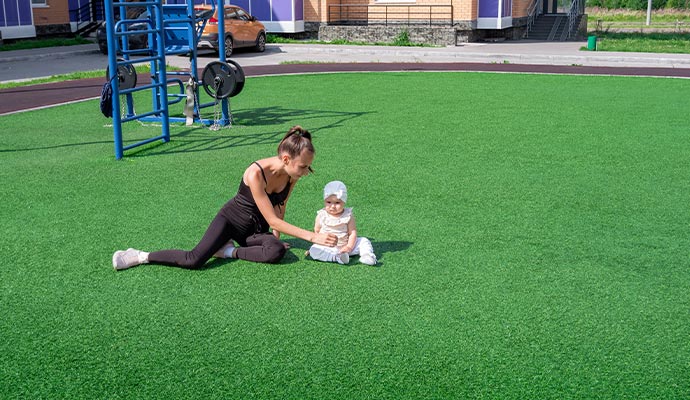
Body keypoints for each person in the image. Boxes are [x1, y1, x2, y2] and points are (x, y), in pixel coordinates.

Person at [112, 126, 338, 270]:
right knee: (194, 260)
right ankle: (141, 256)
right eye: (303, 167)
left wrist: (275, 239)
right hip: (231, 221)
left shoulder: (292, 175)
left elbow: (280, 209)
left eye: (308, 167)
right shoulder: (256, 172)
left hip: (254, 230)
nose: (306, 172)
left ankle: (227, 251)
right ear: (287, 159)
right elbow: (273, 220)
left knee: (276, 251)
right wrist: (311, 236)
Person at [307, 181, 377, 265]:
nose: (332, 206)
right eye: (328, 202)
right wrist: (317, 244)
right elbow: (317, 231)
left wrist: (349, 247)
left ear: (344, 202)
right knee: (314, 250)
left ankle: (367, 256)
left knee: (364, 241)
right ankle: (337, 257)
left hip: (346, 245)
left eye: (337, 203)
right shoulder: (321, 215)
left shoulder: (348, 215)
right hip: (328, 247)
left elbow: (352, 233)